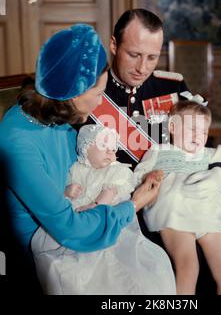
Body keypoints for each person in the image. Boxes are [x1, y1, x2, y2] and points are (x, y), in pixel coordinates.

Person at [86, 8, 221, 294]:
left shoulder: (171, 86)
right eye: (134, 54)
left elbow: (199, 144)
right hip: (128, 202)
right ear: (114, 45)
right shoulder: (91, 93)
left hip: (182, 188)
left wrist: (220, 173)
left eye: (152, 57)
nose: (142, 67)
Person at [0, 24, 164, 293]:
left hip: (82, 216)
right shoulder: (17, 144)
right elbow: (70, 228)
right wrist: (133, 205)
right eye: (98, 94)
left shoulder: (55, 116)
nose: (100, 103)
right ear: (74, 95)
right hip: (50, 249)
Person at [134, 96, 221, 294]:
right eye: (193, 129)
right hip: (174, 212)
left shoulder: (206, 153)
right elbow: (140, 173)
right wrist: (147, 176)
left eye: (204, 131)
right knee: (189, 267)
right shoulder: (160, 150)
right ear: (174, 128)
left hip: (206, 213)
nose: (199, 136)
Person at [31, 124, 175, 295]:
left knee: (113, 260)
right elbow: (60, 194)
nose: (110, 152)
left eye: (113, 149)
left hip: (108, 218)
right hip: (75, 218)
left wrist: (95, 206)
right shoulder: (75, 169)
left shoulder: (115, 170)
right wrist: (67, 191)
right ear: (86, 147)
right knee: (68, 264)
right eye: (103, 146)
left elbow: (108, 194)